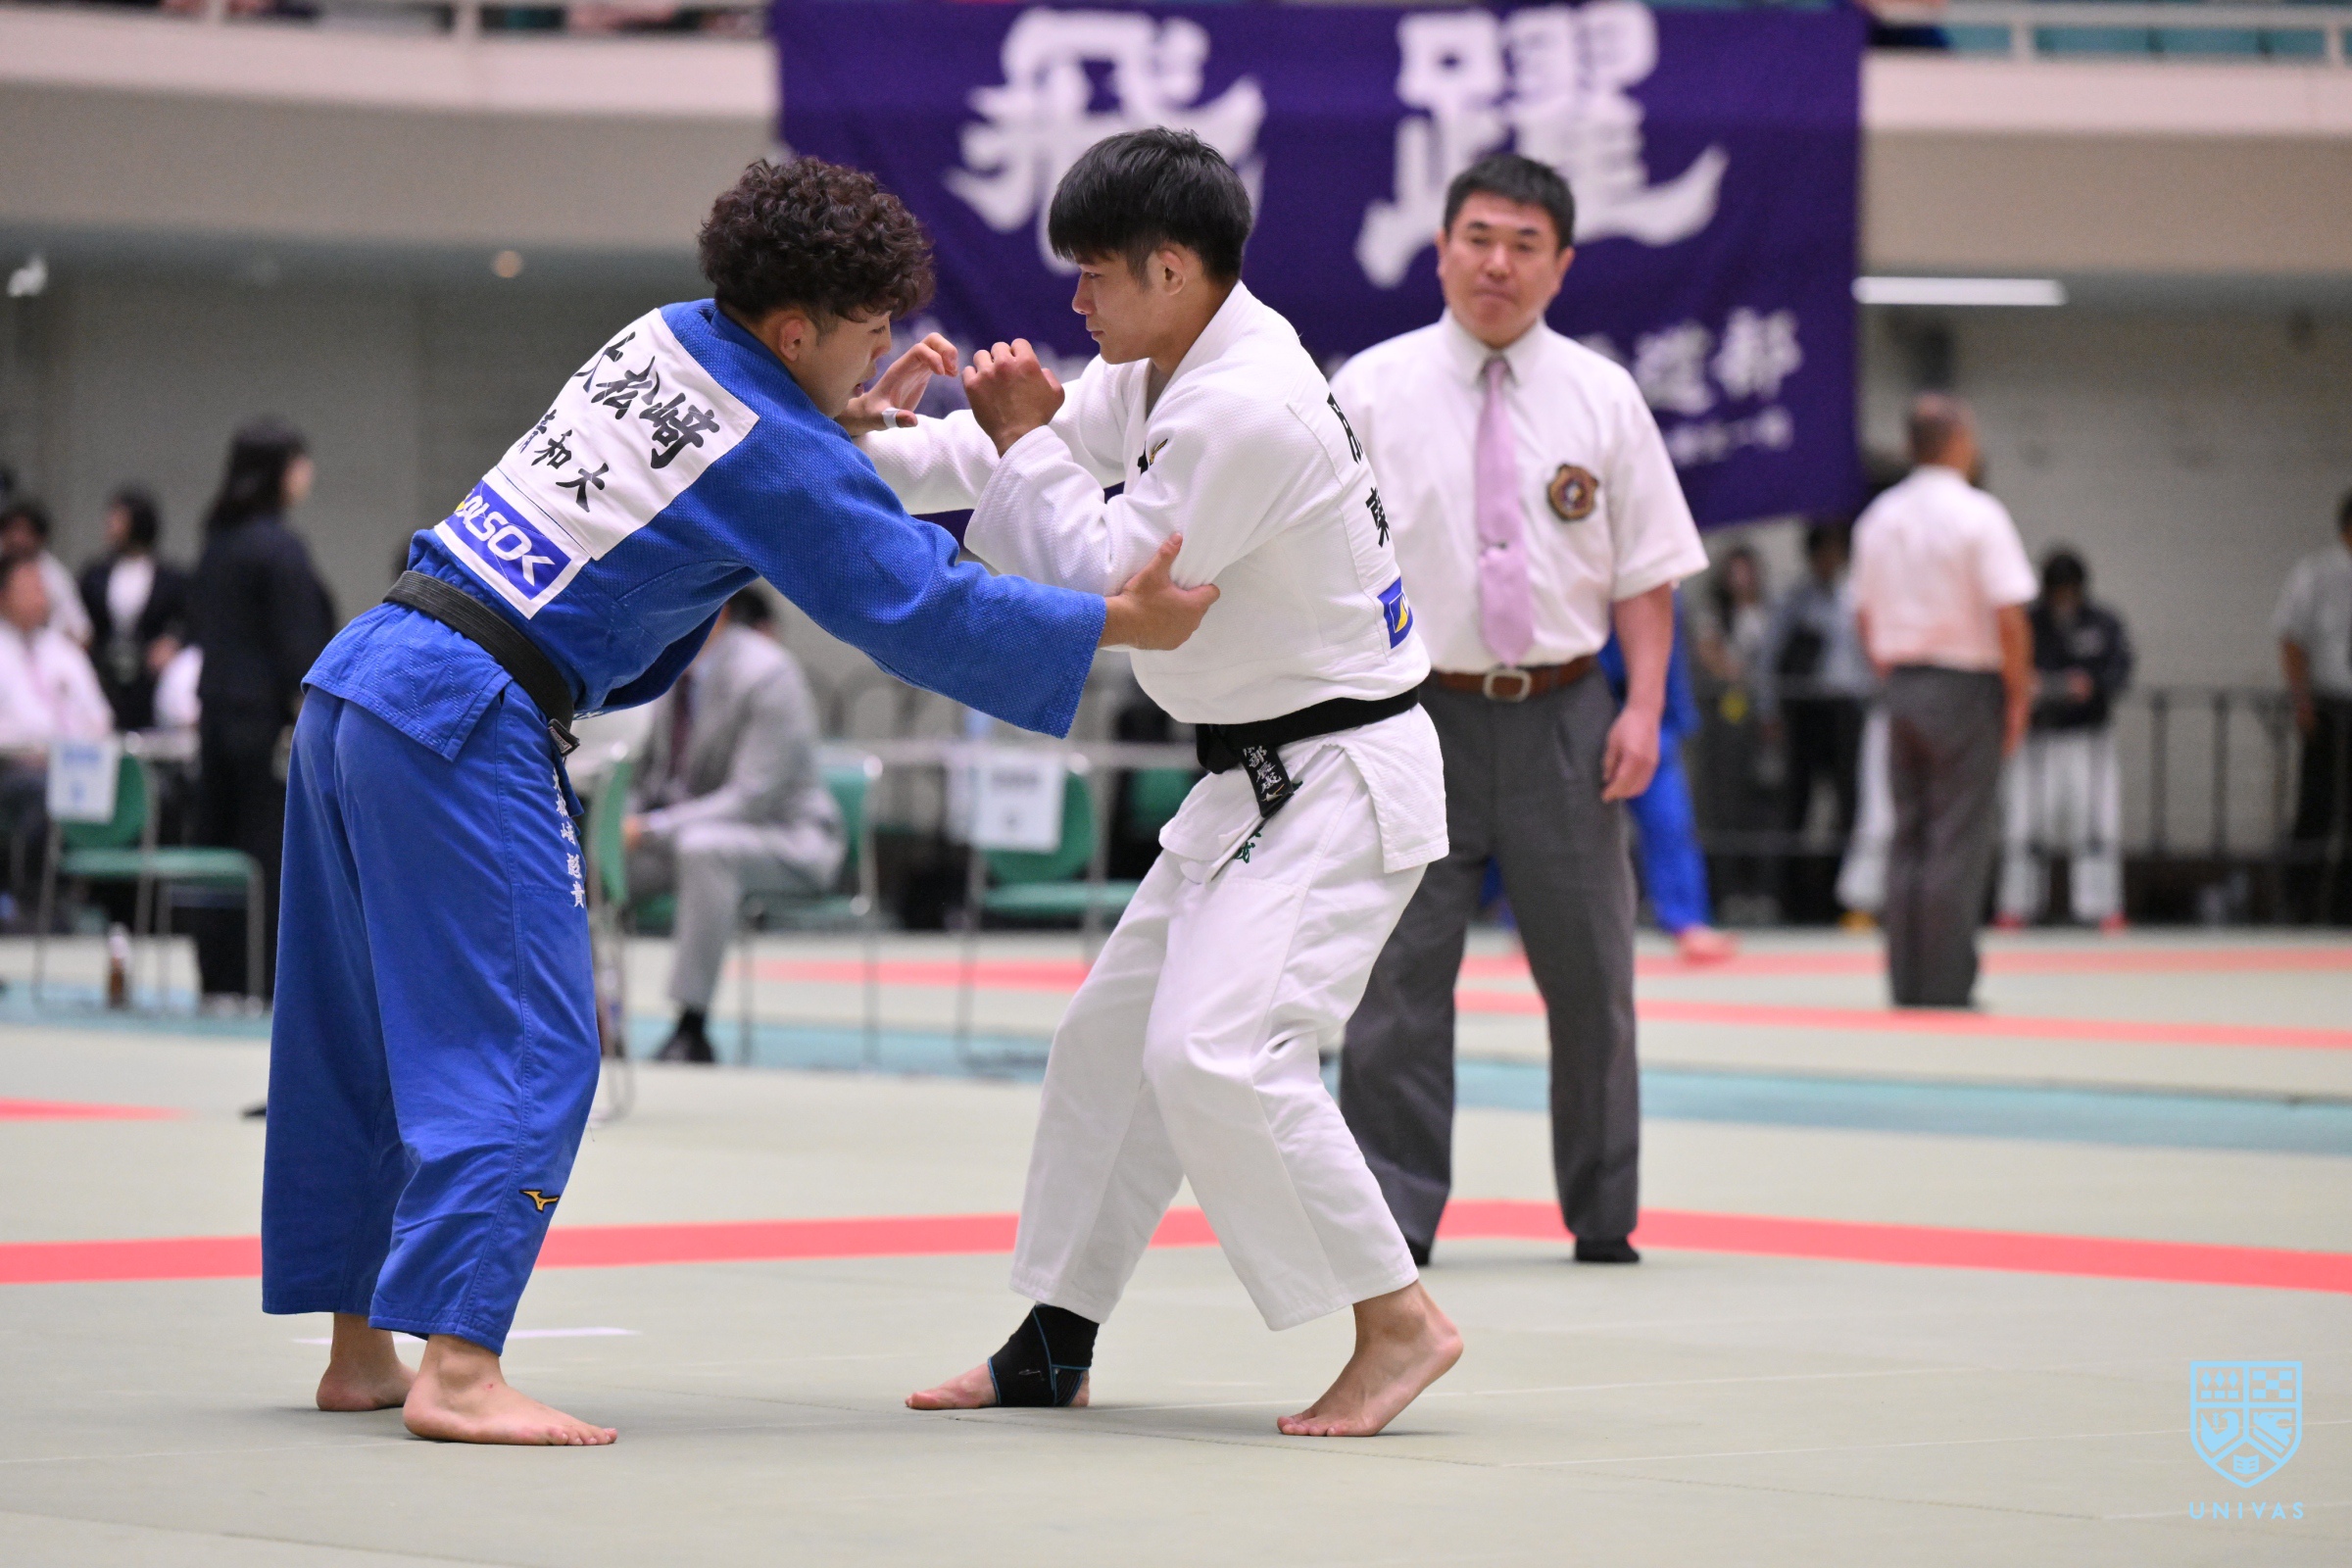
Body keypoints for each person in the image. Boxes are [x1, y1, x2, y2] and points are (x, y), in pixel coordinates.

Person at [264, 154, 1215, 1449]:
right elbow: (921, 606)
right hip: (463, 714)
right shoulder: (774, 445)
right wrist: (1117, 621)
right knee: (536, 1040)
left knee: (367, 1026)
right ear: (796, 331)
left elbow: (733, 478)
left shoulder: (663, 336)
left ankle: (361, 1351)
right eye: (868, 332)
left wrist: (835, 429)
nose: (884, 355)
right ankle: (462, 1369)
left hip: (362, 683)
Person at [867, 129, 1459, 1438]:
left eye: (1096, 273)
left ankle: (1398, 1319)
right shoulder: (1166, 367)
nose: (1077, 300)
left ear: (1174, 268)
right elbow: (988, 458)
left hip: (1341, 772)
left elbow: (1106, 579)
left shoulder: (1248, 402)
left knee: (1219, 1052)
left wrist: (1024, 441)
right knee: (1108, 1046)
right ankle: (1053, 1342)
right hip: (1254, 776)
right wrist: (838, 452)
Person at [1331, 154, 1708, 1270]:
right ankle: (1394, 1215)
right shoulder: (1370, 389)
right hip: (1413, 713)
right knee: (1399, 980)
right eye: (1480, 238)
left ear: (1562, 263)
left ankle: (1603, 1210)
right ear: (1441, 249)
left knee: (1592, 977)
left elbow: (1646, 572)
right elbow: (1321, 558)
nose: (1498, 263)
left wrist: (1644, 708)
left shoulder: (1603, 395)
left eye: (1525, 244)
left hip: (1566, 715)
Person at [1850, 395, 2035, 1007]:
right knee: (1958, 838)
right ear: (1957, 442)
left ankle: (1906, 982)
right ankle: (1947, 984)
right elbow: (2009, 616)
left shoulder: (1879, 518)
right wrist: (2017, 695)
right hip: (1965, 685)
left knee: (1908, 834)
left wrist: (1890, 672)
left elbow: (1862, 615)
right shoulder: (1979, 515)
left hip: (1902, 683)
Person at [625, 584, 843, 1064]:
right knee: (582, 865)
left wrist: (650, 828)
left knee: (705, 848)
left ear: (716, 608)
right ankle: (594, 1016)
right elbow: (649, 777)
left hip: (788, 839)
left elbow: (752, 798)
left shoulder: (768, 671)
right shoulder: (663, 665)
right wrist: (616, 827)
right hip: (685, 834)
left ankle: (691, 1027)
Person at [186, 421, 336, 1004]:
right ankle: (263, 977)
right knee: (269, 850)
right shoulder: (279, 549)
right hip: (266, 726)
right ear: (280, 471)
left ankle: (217, 972)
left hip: (214, 716)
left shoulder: (216, 544)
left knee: (217, 843)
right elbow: (299, 649)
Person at [1997, 549, 2133, 930]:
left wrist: (2091, 686)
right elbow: (2009, 669)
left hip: (2088, 736)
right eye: (2058, 588)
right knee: (2024, 821)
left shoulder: (2102, 623)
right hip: (2037, 737)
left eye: (2070, 588)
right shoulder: (2030, 623)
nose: (2064, 596)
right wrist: (2037, 686)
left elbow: (2120, 670)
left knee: (2096, 821)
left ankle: (2100, 906)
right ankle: (2016, 905)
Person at [1600, 596, 1735, 960]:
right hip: (1582, 718)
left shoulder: (1665, 593)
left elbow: (1668, 663)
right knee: (1553, 827)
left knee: (1670, 823)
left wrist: (1670, 719)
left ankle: (1686, 920)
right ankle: (1529, 923)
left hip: (1650, 723)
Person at [0, 549, 114, 900]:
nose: (41, 595)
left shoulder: (64, 652)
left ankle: (112, 908)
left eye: (42, 586)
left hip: (77, 766)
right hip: (14, 770)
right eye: (29, 587)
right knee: (44, 794)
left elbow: (100, 717)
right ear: (3, 596)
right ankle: (33, 900)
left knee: (152, 795)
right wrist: (33, 751)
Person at [1757, 523, 1874, 857]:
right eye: (1823, 552)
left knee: (1849, 792)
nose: (1829, 560)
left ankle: (1844, 873)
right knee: (1799, 794)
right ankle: (1792, 877)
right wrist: (1768, 709)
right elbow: (1770, 657)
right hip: (1808, 705)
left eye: (1835, 552)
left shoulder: (1855, 598)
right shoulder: (1795, 601)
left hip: (1848, 705)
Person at [2276, 489, 2352, 925]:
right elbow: (2291, 637)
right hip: (2327, 702)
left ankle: (2344, 909)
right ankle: (2299, 906)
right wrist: (2301, 700)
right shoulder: (2317, 574)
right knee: (2316, 807)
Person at [78, 486, 193, 733]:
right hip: (104, 672)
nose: (109, 524)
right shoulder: (95, 575)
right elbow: (83, 619)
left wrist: (173, 642)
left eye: (118, 518)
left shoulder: (171, 578)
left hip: (151, 676)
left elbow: (193, 620)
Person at [0, 499, 94, 647]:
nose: (17, 539)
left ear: (40, 538)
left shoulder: (54, 575)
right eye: (12, 530)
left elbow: (81, 633)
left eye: (25, 532)